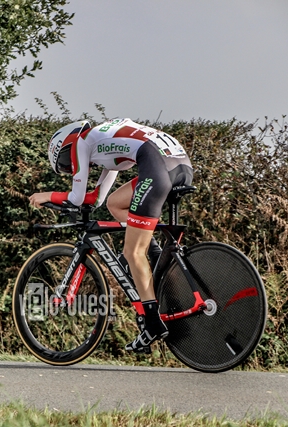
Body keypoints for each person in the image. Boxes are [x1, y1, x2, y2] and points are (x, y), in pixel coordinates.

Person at [28, 118, 193, 352]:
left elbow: (77, 198)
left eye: (65, 165)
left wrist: (48, 196)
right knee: (116, 203)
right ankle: (156, 255)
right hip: (180, 164)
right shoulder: (105, 143)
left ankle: (152, 324)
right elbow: (96, 199)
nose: (71, 169)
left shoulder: (82, 143)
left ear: (66, 146)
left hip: (158, 167)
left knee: (133, 253)